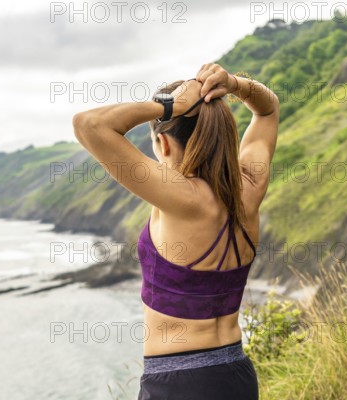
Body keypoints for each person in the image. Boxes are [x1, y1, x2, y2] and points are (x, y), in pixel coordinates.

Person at [73, 63, 279, 399]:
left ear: (163, 143)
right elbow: (268, 110)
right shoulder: (250, 187)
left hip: (180, 382)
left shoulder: (183, 197)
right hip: (236, 374)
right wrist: (233, 84)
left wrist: (170, 106)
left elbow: (89, 124)